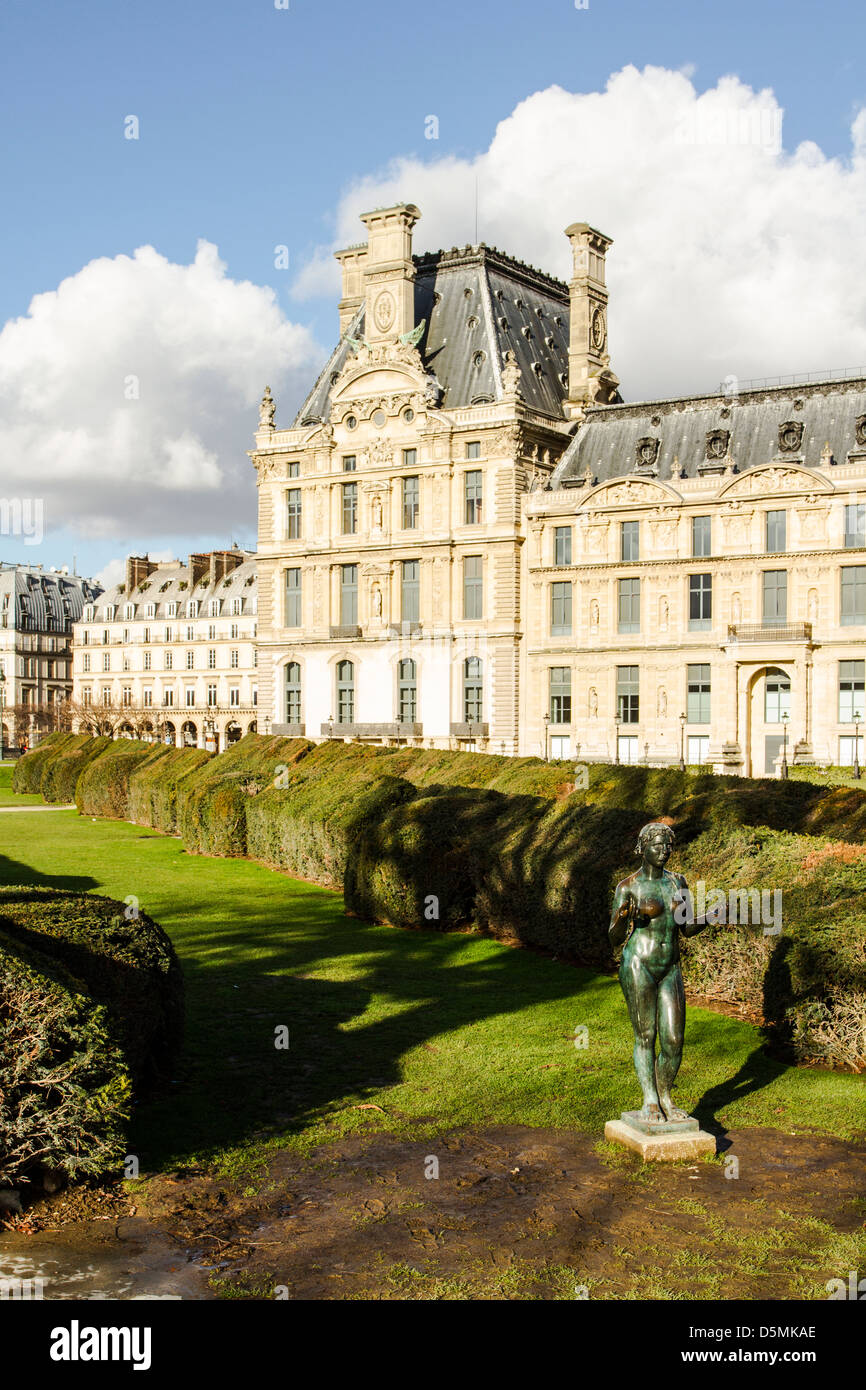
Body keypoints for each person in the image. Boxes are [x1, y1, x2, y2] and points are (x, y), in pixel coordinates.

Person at [609, 822, 705, 1124]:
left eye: (668, 845)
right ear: (643, 847)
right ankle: (650, 1099)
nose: (664, 851)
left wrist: (712, 916)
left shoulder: (678, 882)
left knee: (674, 1039)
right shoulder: (628, 886)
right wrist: (625, 916)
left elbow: (687, 928)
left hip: (670, 966)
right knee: (646, 1035)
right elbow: (613, 938)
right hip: (639, 963)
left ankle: (666, 1095)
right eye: (658, 845)